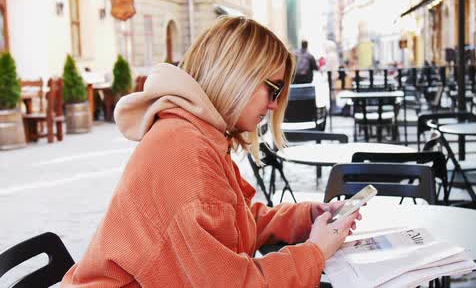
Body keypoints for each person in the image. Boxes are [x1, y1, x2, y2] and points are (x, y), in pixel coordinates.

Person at [61, 16, 361, 287]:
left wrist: (307, 216)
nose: (273, 104)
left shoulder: (194, 133)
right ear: (236, 76)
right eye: (273, 89)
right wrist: (315, 252)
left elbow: (230, 221)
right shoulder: (186, 151)